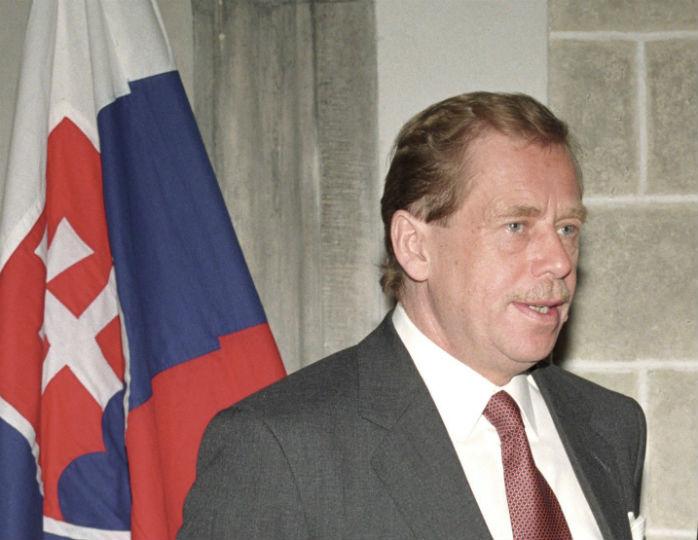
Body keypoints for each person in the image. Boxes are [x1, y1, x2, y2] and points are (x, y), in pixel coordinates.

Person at [178, 92, 646, 539]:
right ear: (414, 246)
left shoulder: (610, 426)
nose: (559, 261)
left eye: (567, 229)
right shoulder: (279, 448)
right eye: (516, 226)